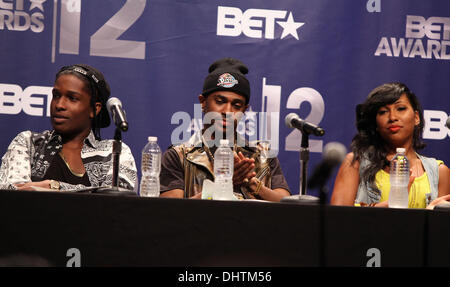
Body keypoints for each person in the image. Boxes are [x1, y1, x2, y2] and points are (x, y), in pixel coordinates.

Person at [160, 58, 290, 201]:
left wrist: (253, 184)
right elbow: (171, 212)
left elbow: (286, 206)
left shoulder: (264, 156)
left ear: (244, 110)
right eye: (220, 101)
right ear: (203, 102)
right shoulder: (178, 156)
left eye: (236, 105)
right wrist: (224, 184)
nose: (227, 111)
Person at [0, 64, 137, 191]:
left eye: (72, 98)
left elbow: (118, 198)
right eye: (56, 96)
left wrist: (54, 186)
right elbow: (13, 193)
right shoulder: (29, 142)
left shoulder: (113, 152)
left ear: (94, 109)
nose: (59, 105)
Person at [331, 82, 450, 208]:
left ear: (416, 117)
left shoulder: (439, 172)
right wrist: (387, 207)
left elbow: (440, 226)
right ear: (375, 123)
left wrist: (429, 214)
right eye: (383, 112)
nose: (392, 117)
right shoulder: (356, 163)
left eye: (401, 109)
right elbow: (337, 220)